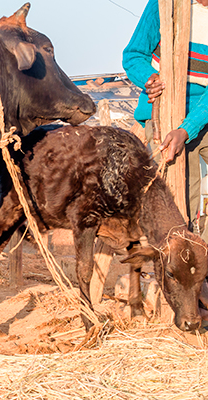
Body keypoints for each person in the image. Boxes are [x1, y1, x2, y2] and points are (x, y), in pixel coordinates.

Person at [123, 0, 208, 322]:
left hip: (200, 116)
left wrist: (186, 129)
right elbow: (133, 55)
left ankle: (200, 277)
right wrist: (148, 78)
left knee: (202, 204)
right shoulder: (164, 5)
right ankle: (179, 293)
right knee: (174, 203)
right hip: (163, 112)